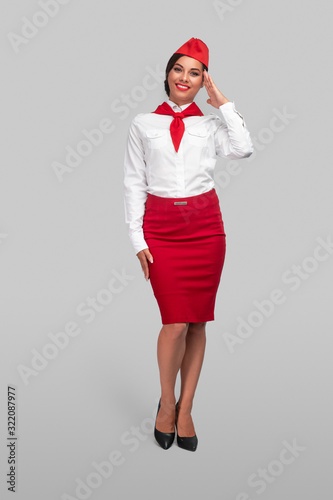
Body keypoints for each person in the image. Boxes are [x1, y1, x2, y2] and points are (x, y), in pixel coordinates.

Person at [123, 37, 254, 452]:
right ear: (167, 74)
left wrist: (224, 103)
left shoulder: (210, 125)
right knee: (174, 322)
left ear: (203, 82)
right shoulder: (144, 123)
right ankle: (166, 403)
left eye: (195, 73)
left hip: (205, 227)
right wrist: (136, 237)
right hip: (161, 227)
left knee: (197, 321)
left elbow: (244, 149)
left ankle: (186, 409)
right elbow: (133, 182)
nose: (185, 77)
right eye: (179, 69)